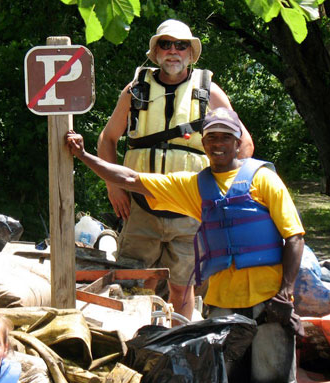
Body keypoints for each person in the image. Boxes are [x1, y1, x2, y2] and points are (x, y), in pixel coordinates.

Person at [66, 107, 319, 383]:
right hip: (222, 302)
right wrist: (82, 157)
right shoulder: (194, 186)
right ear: (204, 144)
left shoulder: (262, 179)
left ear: (239, 142)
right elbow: (131, 179)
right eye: (211, 138)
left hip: (269, 300)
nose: (218, 145)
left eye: (225, 138)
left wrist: (286, 293)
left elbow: (294, 236)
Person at [98, 19, 254, 322]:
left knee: (183, 288)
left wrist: (223, 191)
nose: (173, 51)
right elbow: (108, 138)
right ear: (155, 51)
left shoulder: (209, 91)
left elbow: (244, 143)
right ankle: (136, 341)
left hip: (190, 210)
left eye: (180, 45)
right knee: (137, 282)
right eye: (165, 44)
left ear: (190, 53)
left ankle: (176, 345)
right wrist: (113, 185)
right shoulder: (136, 90)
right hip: (140, 206)